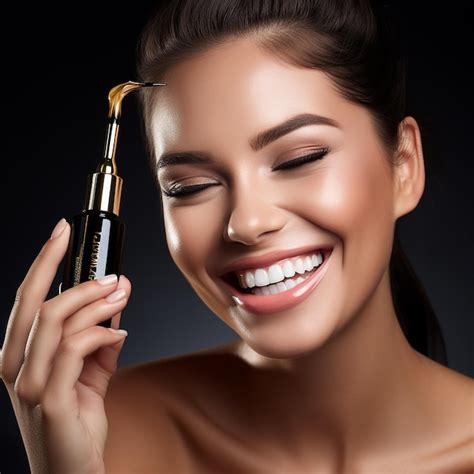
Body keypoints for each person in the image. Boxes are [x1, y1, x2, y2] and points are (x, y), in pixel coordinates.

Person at [1, 0, 473, 472]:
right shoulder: (100, 433)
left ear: (404, 165)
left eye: (299, 159)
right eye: (191, 187)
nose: (245, 223)